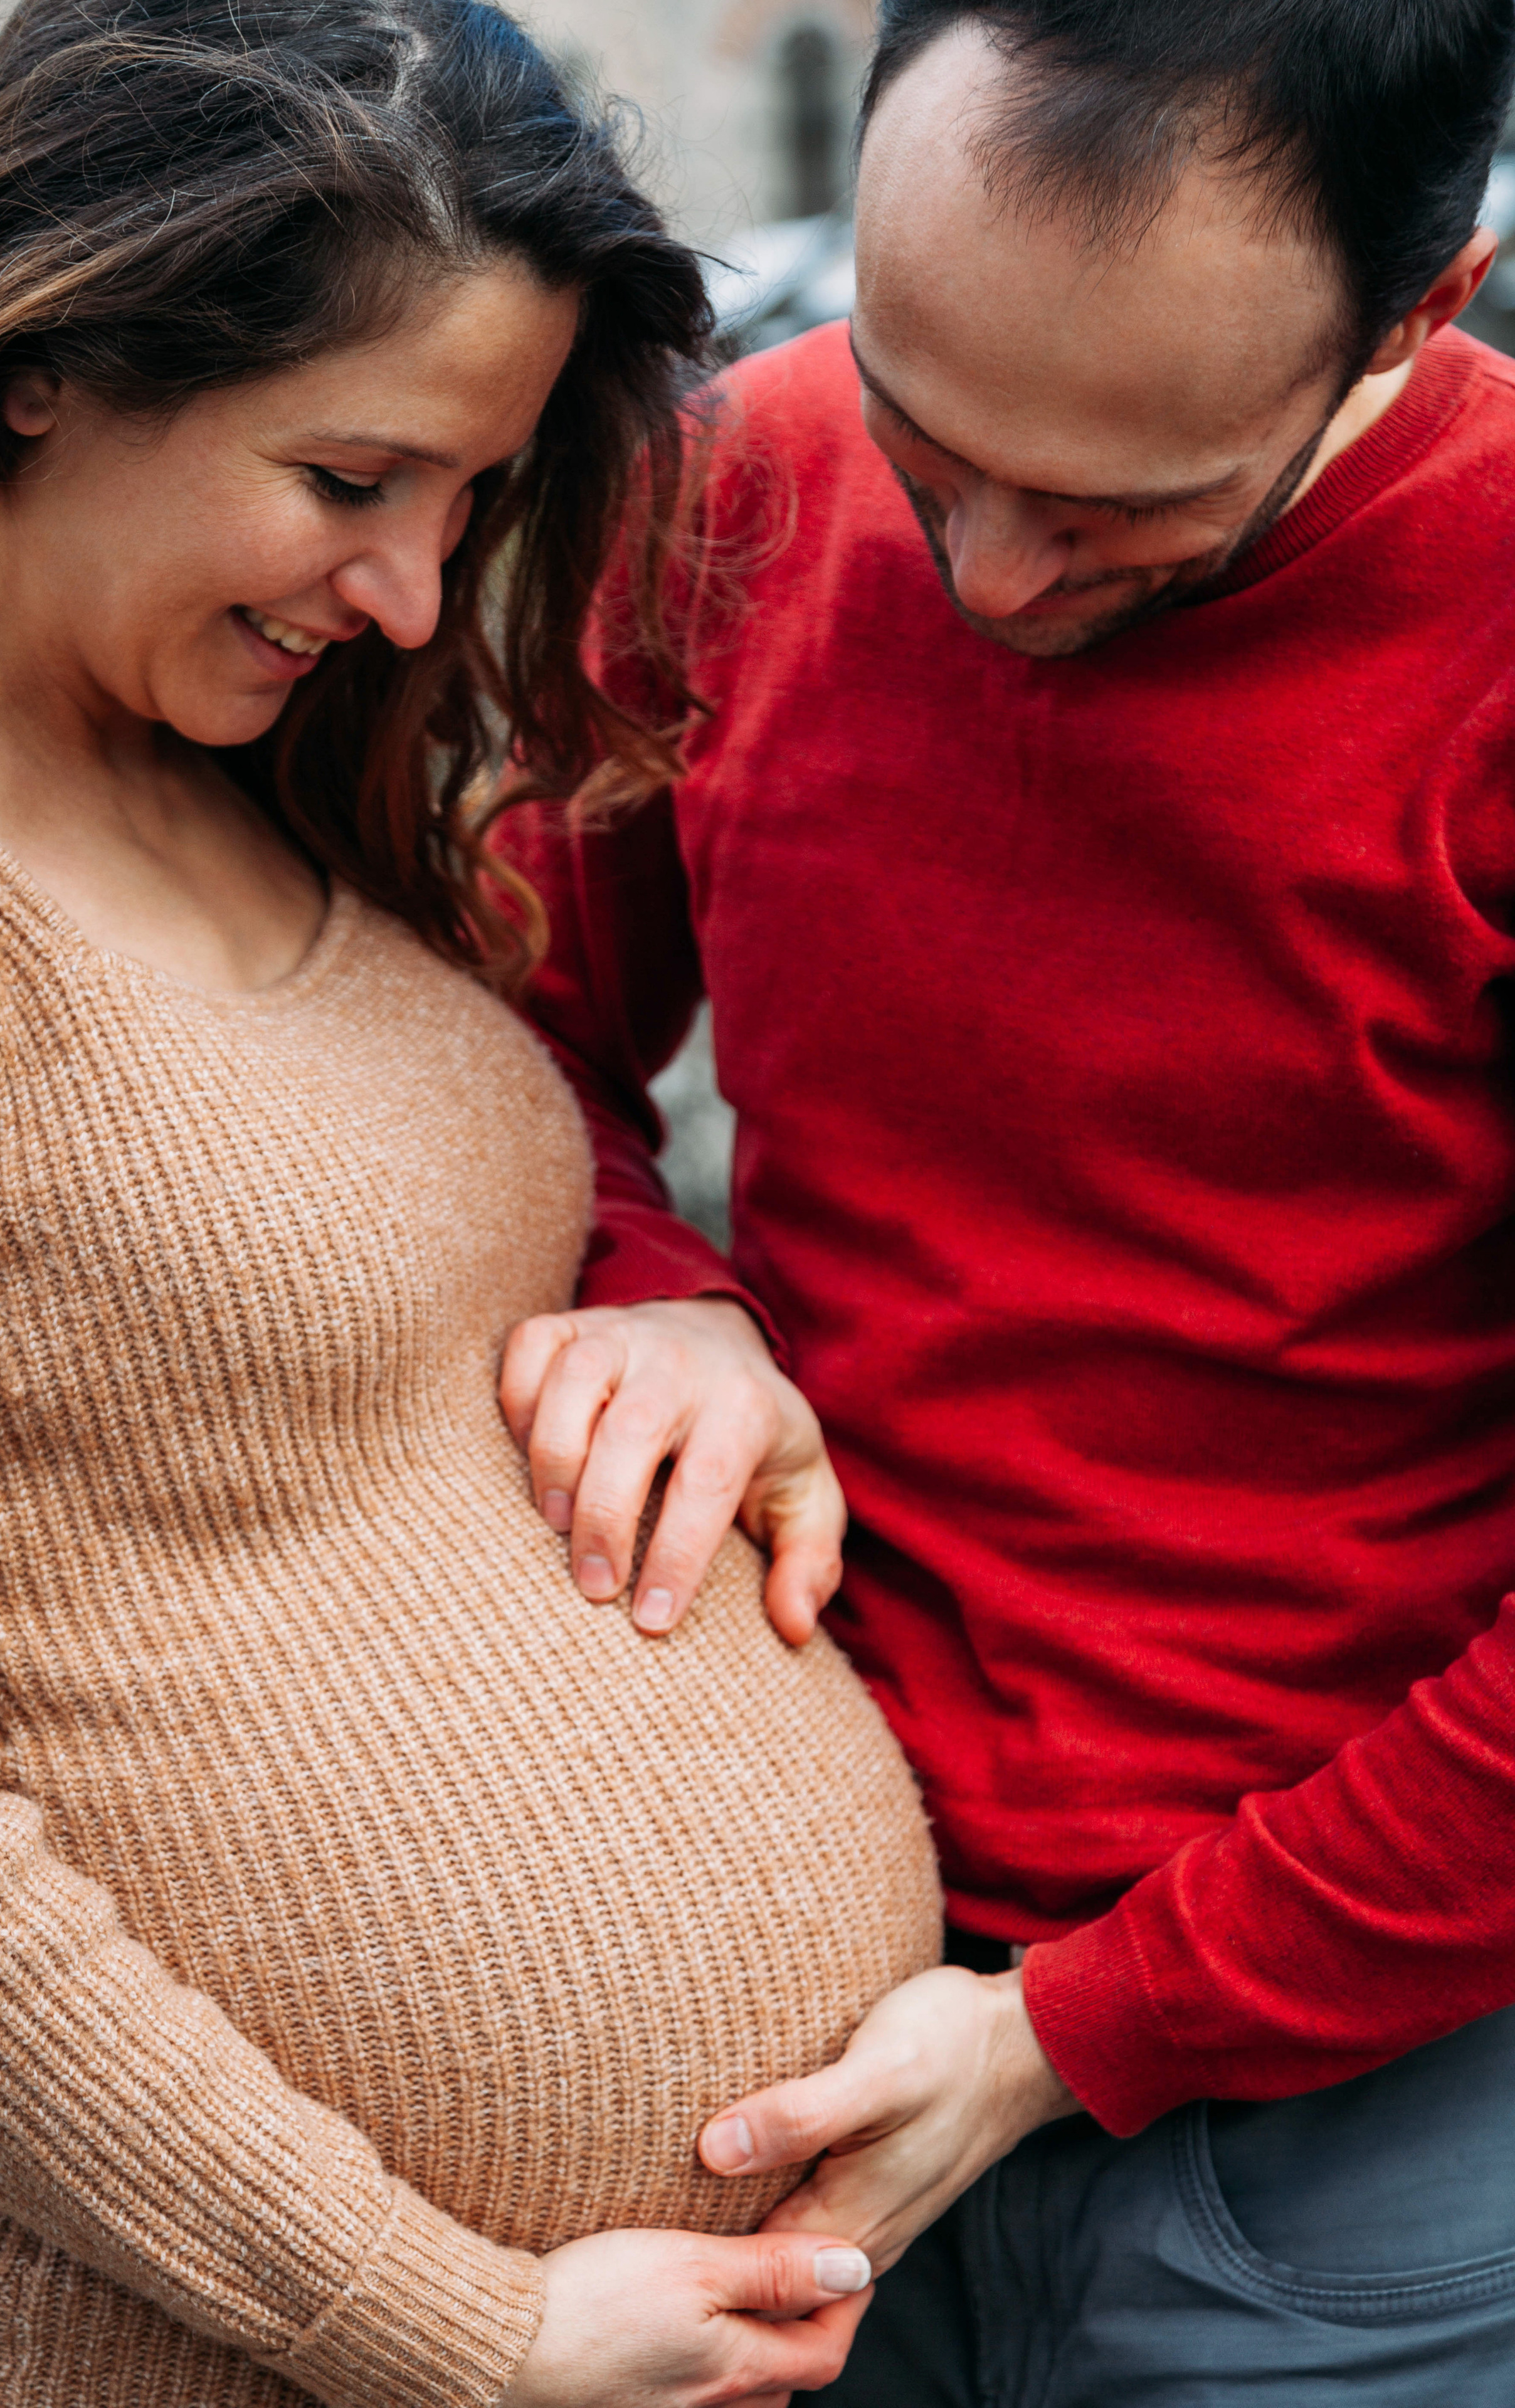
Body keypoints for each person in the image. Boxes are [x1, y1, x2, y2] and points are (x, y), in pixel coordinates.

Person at [0, 3, 946, 2402]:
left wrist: (677, 1311)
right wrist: (448, 2326)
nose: (407, 591)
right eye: (353, 474)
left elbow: (385, 1229)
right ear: (51, 353)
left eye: (463, 499)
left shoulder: (223, 739)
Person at [498, 0, 1515, 2396]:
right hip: (780, 1983)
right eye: (927, 438)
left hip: (1361, 2104)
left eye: (1128, 510)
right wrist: (658, 1282)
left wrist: (1081, 2026)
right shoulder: (737, 474)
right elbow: (500, 1030)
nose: (986, 566)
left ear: (1416, 314)